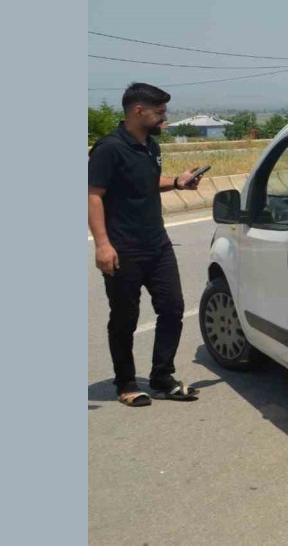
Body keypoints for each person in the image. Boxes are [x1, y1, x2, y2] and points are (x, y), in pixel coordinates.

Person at [88, 83, 202, 406]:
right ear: (138, 111)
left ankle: (161, 376)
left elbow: (146, 181)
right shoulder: (108, 148)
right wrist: (102, 245)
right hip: (123, 248)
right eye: (160, 112)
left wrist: (177, 182)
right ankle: (126, 382)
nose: (164, 118)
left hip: (158, 244)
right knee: (125, 317)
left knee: (172, 308)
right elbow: (93, 195)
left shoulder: (151, 145)